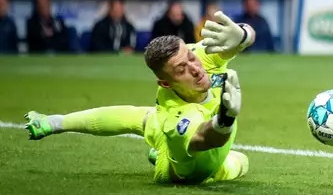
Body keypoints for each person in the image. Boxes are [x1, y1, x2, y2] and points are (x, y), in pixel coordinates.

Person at [25, 12, 256, 184]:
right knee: (236, 163)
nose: (195, 68)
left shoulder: (199, 57)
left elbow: (242, 37)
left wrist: (243, 33)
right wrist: (225, 118)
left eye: (190, 57)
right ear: (165, 83)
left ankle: (54, 121)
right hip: (188, 170)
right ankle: (162, 156)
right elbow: (208, 140)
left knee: (142, 117)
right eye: (181, 69)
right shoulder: (175, 119)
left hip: (201, 127)